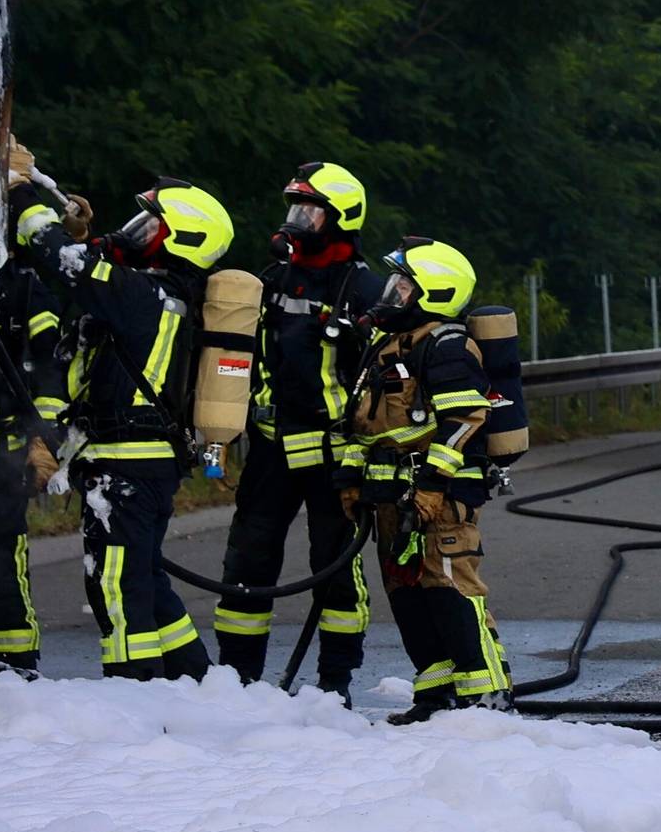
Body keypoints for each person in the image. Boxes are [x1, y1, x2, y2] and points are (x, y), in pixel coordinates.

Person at [10, 172, 234, 679]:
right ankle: (195, 679)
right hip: (142, 463)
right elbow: (89, 265)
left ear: (181, 239)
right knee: (145, 579)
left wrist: (19, 192)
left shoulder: (141, 294)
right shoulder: (161, 295)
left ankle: (134, 688)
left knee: (115, 584)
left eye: (150, 225)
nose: (136, 232)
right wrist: (85, 235)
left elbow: (65, 262)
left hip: (126, 465)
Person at [213, 163, 386, 698]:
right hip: (271, 452)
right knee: (247, 562)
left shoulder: (365, 290)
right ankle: (237, 680)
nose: (296, 221)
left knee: (334, 570)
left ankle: (335, 685)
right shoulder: (271, 280)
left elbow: (386, 385)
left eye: (309, 212)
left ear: (341, 219)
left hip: (335, 457)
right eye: (295, 209)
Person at [339, 239, 512, 722]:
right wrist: (351, 479)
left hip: (441, 499)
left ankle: (487, 698)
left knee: (450, 589)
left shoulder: (446, 347)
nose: (391, 292)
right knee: (408, 597)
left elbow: (464, 419)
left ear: (434, 292)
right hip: (392, 500)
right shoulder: (388, 346)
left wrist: (433, 485)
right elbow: (364, 426)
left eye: (403, 286)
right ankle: (436, 696)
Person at [0, 146, 72, 673]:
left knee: (1, 565)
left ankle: (18, 673)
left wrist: (44, 439)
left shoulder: (23, 286)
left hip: (1, 454)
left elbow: (51, 370)